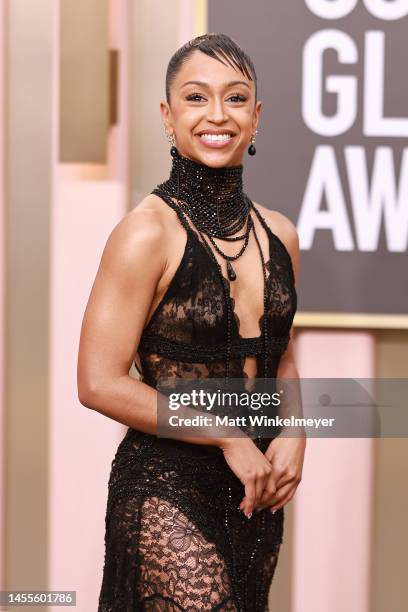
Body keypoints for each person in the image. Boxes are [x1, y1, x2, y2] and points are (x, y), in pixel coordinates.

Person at [77, 33, 306, 612]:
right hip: (163, 485)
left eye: (235, 99)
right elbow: (98, 382)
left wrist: (298, 430)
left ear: (256, 118)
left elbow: (282, 354)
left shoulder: (281, 235)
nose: (217, 115)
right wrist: (227, 433)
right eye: (196, 97)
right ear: (167, 115)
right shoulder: (145, 233)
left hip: (255, 495)